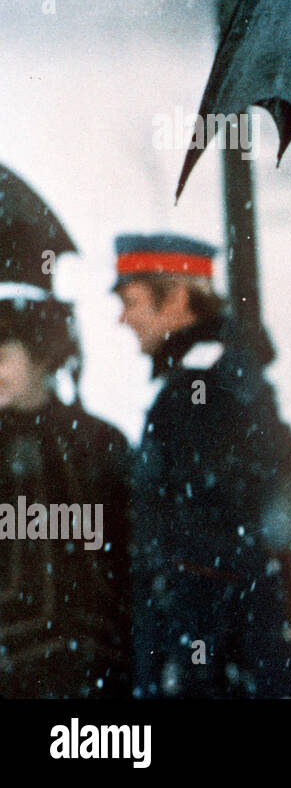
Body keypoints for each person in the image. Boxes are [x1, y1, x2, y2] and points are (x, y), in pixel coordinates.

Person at [114, 232, 291, 697]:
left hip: (215, 654)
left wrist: (189, 663)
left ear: (177, 298)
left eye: (132, 301)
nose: (122, 318)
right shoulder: (214, 375)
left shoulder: (201, 389)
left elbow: (213, 547)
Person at [0, 262, 133, 697]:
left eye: (2, 356)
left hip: (94, 668)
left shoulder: (96, 441)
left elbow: (126, 557)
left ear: (43, 355)